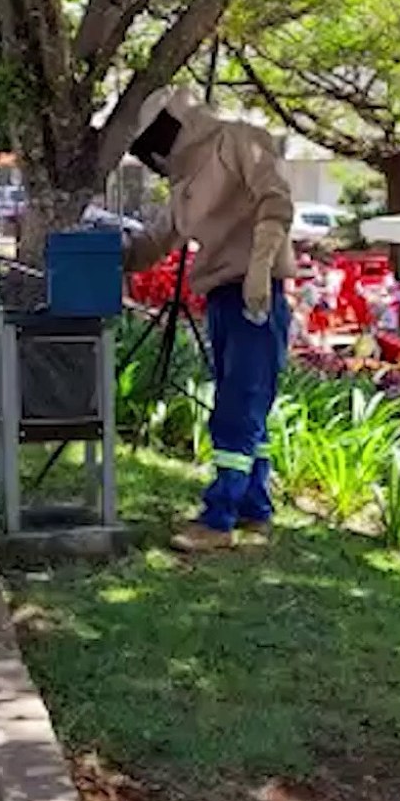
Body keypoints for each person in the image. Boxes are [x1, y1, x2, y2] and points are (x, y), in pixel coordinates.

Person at [122, 87, 297, 553]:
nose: (156, 154)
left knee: (239, 406)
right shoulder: (185, 183)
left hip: (255, 295)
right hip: (222, 296)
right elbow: (157, 240)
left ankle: (218, 518)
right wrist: (109, 252)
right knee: (245, 404)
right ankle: (254, 509)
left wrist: (260, 266)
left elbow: (276, 201)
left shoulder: (241, 140)